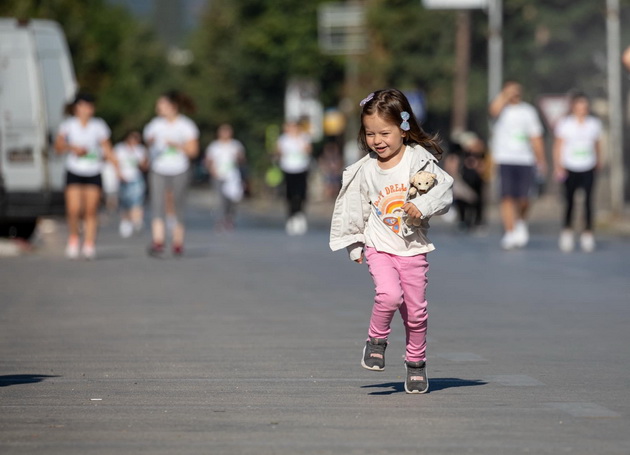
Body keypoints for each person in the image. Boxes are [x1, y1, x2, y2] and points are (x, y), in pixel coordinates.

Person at [329, 89, 453, 394]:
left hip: (413, 248)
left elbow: (444, 191)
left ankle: (415, 363)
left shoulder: (418, 160)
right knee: (388, 295)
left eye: (384, 132)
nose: (377, 140)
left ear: (404, 127)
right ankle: (376, 341)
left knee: (416, 312)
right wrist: (355, 243)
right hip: (379, 245)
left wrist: (422, 206)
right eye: (370, 133)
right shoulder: (366, 169)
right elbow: (355, 207)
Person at [54, 93, 118, 260]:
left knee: (90, 210)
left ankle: (89, 243)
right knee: (74, 209)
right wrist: (71, 147)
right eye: (83, 106)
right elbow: (58, 146)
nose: (86, 109)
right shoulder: (68, 125)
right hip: (74, 170)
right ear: (76, 108)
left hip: (94, 171)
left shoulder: (99, 126)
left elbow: (107, 149)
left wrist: (118, 168)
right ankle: (74, 238)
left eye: (89, 106)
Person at [489, 81, 547, 250]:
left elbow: (536, 136)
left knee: (524, 198)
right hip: (505, 158)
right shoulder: (501, 110)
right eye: (509, 91)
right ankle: (509, 231)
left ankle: (520, 221)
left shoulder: (528, 111)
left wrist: (541, 159)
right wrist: (505, 95)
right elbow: (493, 110)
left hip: (525, 159)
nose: (513, 94)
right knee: (506, 196)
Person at [143, 91, 199, 257]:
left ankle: (177, 241)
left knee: (178, 205)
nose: (159, 108)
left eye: (162, 104)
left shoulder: (186, 125)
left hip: (179, 168)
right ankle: (158, 240)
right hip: (159, 169)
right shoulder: (154, 125)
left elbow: (193, 151)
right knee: (157, 204)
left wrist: (176, 145)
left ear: (173, 107)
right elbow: (148, 143)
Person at [553, 92, 602, 252]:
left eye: (584, 106)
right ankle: (567, 231)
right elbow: (559, 145)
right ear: (573, 107)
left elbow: (597, 144)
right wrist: (558, 165)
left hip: (588, 165)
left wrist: (598, 161)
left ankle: (587, 234)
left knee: (588, 201)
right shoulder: (565, 124)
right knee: (570, 201)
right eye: (579, 106)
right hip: (570, 166)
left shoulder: (594, 124)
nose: (582, 109)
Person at [205, 124, 247, 230]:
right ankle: (221, 219)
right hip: (218, 175)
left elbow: (242, 160)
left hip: (232, 176)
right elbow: (208, 160)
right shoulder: (214, 146)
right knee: (220, 199)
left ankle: (230, 218)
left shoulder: (236, 145)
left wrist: (239, 157)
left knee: (232, 199)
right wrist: (211, 170)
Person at [275, 121, 312, 235]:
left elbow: (309, 150)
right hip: (288, 168)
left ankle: (300, 215)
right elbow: (278, 151)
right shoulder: (283, 139)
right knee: (289, 193)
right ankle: (291, 216)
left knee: (301, 193)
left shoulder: (304, 137)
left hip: (301, 168)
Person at [114, 131, 148, 238]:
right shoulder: (120, 148)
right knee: (125, 201)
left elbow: (144, 166)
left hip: (136, 178)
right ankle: (125, 222)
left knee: (137, 200)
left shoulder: (140, 150)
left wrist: (143, 160)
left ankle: (137, 220)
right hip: (123, 178)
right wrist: (118, 173)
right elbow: (115, 162)